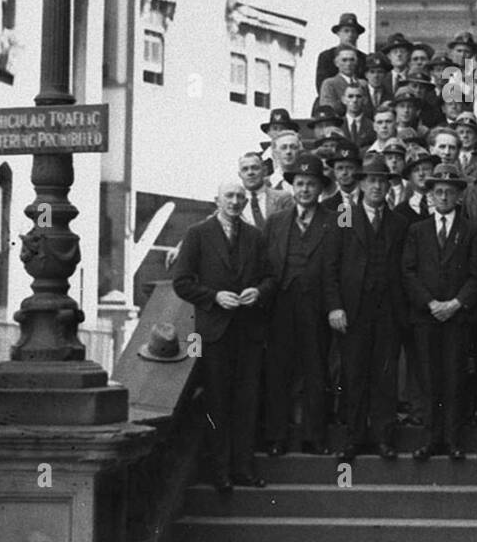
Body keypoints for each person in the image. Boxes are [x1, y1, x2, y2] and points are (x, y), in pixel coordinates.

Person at [172, 177, 272, 492]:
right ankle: (220, 472)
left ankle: (243, 468)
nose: (234, 202)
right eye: (228, 196)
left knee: (247, 402)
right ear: (216, 200)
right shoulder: (197, 234)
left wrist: (259, 290)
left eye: (239, 197)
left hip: (248, 331)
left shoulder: (255, 236)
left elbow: (271, 277)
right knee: (217, 402)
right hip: (213, 332)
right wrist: (214, 297)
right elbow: (182, 282)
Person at [261, 153, 344, 457]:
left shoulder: (334, 222)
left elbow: (336, 268)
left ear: (320, 188)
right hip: (281, 305)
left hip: (317, 308)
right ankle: (276, 437)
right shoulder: (275, 222)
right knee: (279, 371)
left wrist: (335, 306)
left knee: (316, 372)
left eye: (311, 184)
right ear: (292, 186)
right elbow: (265, 265)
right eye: (300, 183)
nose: (305, 189)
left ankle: (314, 437)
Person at [403, 163, 477, 461]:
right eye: (438, 191)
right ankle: (430, 438)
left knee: (454, 377)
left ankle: (453, 439)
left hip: (457, 316)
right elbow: (409, 272)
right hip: (426, 316)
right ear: (430, 195)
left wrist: (454, 304)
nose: (444, 197)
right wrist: (430, 304)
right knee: (429, 378)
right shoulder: (417, 230)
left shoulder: (472, 230)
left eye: (450, 192)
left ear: (459, 196)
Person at [335, 156, 410, 462]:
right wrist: (335, 307)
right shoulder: (344, 217)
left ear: (389, 186)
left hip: (388, 311)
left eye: (382, 181)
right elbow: (330, 266)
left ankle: (383, 437)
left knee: (385, 375)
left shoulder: (399, 223)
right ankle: (354, 438)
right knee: (353, 374)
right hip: (353, 310)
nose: (377, 186)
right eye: (371, 180)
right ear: (361, 184)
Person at [315, 12, 368, 90]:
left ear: (357, 35)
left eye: (353, 31)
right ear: (338, 33)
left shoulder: (364, 58)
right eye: (346, 31)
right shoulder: (327, 56)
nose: (350, 35)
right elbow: (321, 86)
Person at [238, 150, 291, 228]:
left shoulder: (283, 198)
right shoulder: (235, 204)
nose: (250, 172)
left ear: (264, 170)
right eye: (245, 169)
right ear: (240, 175)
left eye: (255, 168)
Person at [319, 46, 369, 111]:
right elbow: (328, 108)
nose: (348, 64)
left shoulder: (363, 84)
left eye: (352, 60)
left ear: (357, 62)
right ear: (336, 63)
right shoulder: (329, 84)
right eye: (344, 60)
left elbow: (368, 108)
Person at [340, 83, 375, 148]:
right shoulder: (338, 125)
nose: (354, 100)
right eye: (350, 96)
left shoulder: (372, 126)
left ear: (365, 100)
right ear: (343, 100)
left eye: (358, 96)